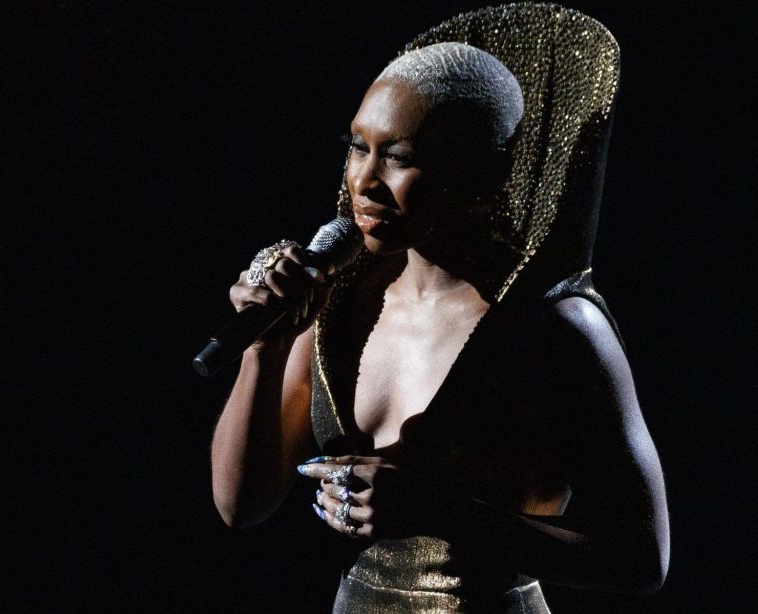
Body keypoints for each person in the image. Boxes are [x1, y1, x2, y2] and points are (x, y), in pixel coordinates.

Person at [210, 5, 669, 613]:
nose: (364, 181)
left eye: (399, 156)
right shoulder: (338, 300)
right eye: (357, 147)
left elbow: (641, 560)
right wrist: (263, 348)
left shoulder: (555, 326)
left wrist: (438, 513)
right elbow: (240, 506)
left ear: (481, 172)